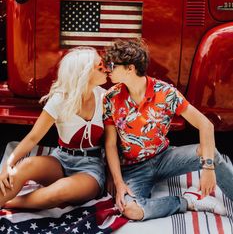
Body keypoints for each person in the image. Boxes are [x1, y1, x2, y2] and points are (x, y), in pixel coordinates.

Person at [103, 39, 233, 221]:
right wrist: (118, 181)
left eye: (112, 65)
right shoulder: (110, 98)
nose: (108, 70)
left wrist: (208, 168)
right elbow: (110, 145)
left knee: (209, 152)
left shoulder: (165, 93)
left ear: (130, 68)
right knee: (131, 210)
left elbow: (206, 125)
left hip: (165, 158)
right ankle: (188, 201)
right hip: (133, 168)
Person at [0, 47, 107, 209]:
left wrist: (115, 177)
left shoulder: (105, 98)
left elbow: (114, 143)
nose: (106, 69)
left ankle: (10, 203)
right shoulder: (60, 99)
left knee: (61, 190)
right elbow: (33, 137)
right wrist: (8, 164)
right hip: (61, 159)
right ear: (84, 73)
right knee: (24, 166)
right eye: (99, 66)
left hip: (90, 168)